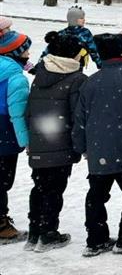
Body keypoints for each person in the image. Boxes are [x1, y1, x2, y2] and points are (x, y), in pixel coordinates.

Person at [73, 33, 122, 257]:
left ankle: (96, 239)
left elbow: (81, 118)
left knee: (97, 194)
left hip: (98, 149)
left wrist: (81, 146)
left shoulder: (91, 81)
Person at [25, 32, 87, 251]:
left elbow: (29, 109)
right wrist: (80, 145)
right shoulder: (77, 79)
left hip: (40, 141)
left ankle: (35, 231)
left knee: (40, 186)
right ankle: (48, 232)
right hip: (61, 143)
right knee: (54, 189)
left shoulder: (40, 74)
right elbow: (78, 115)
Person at [0, 26, 31, 244]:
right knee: (2, 180)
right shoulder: (15, 77)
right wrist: (26, 142)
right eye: (25, 50)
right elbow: (18, 115)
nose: (28, 54)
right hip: (4, 133)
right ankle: (1, 226)